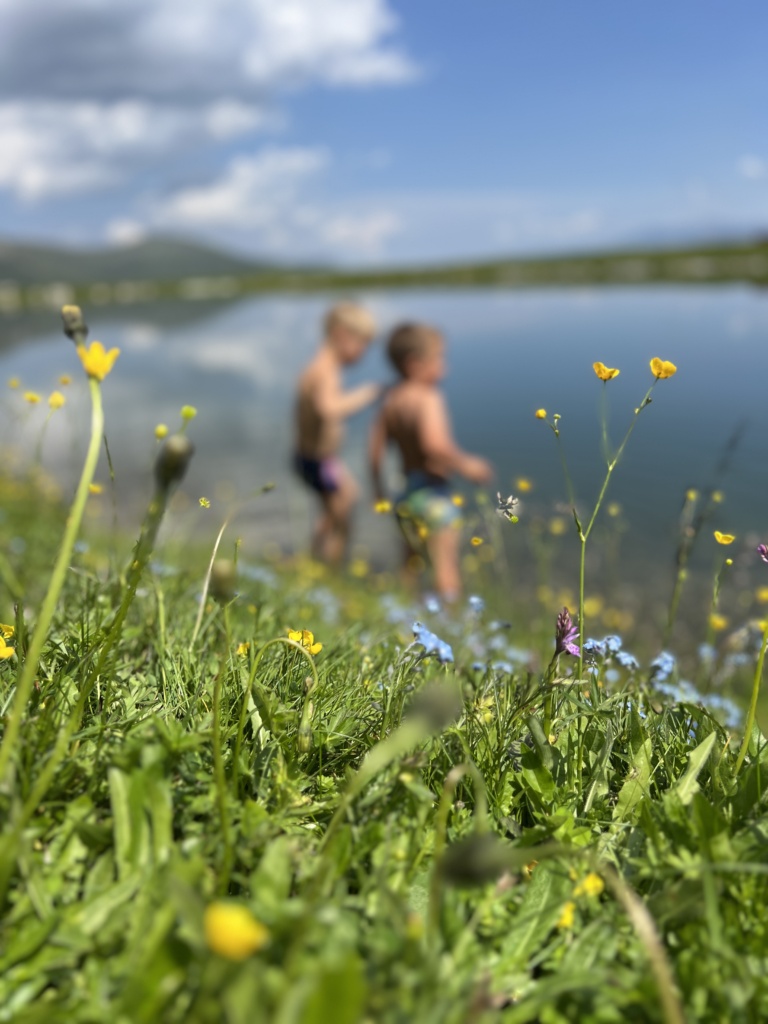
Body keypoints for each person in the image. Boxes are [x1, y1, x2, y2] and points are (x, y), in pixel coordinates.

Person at [369, 322, 493, 601]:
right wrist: (468, 465)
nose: (445, 367)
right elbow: (434, 445)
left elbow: (374, 452)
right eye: (439, 358)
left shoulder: (392, 399)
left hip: (405, 494)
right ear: (415, 364)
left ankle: (401, 613)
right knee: (445, 566)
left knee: (410, 564)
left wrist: (378, 489)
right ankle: (451, 624)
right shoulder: (427, 397)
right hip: (435, 496)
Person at [294, 302, 380, 565]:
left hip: (320, 459)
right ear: (341, 334)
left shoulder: (322, 366)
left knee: (344, 501)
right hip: (318, 461)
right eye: (362, 344)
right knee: (342, 519)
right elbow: (328, 409)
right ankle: (330, 570)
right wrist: (368, 394)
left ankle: (310, 557)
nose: (363, 353)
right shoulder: (325, 369)